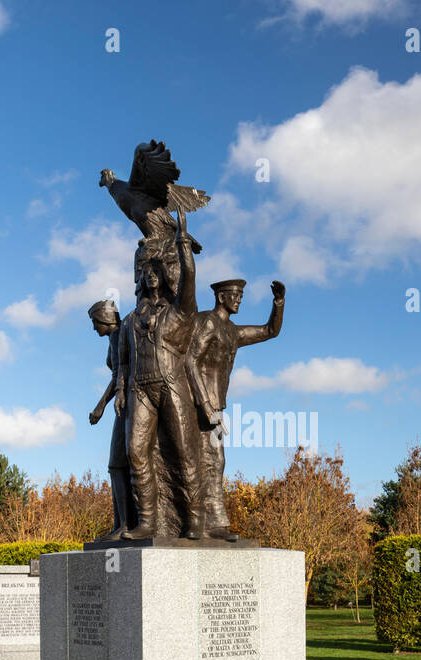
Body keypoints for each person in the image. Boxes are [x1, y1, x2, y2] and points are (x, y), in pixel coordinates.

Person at [115, 212, 202, 539]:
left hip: (171, 386)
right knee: (136, 452)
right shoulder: (129, 320)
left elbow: (189, 283)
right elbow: (122, 361)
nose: (151, 276)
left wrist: (183, 246)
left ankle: (194, 520)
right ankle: (148, 522)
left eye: (156, 271)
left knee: (184, 452)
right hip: (140, 388)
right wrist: (122, 389)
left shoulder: (179, 311)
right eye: (146, 272)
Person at [186, 279, 285, 538]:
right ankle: (199, 524)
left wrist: (278, 303)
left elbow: (269, 331)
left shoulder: (233, 331)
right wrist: (204, 403)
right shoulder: (207, 322)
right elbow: (190, 361)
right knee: (203, 461)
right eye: (235, 295)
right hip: (198, 405)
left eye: (241, 295)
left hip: (216, 409)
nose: (239, 299)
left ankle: (214, 524)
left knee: (216, 462)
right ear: (221, 297)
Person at [87, 299, 134, 541]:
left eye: (95, 322)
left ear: (105, 319)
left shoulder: (118, 337)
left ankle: (124, 524)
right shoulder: (115, 338)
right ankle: (121, 523)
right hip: (124, 404)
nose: (95, 328)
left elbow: (119, 376)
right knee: (119, 465)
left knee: (118, 465)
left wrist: (100, 407)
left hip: (126, 406)